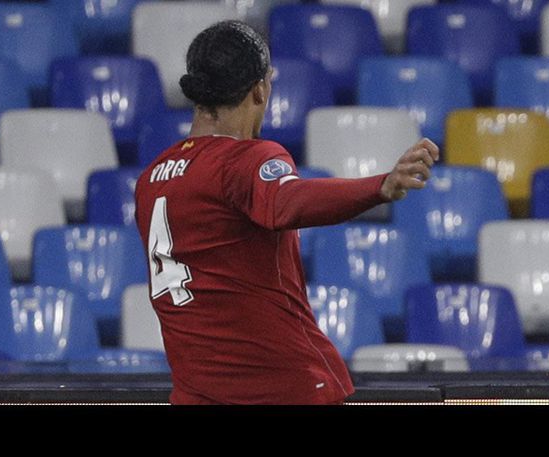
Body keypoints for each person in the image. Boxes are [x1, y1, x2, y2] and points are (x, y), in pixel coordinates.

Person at [134, 20, 439, 405]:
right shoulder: (247, 160)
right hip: (281, 388)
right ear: (259, 89)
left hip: (196, 394)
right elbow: (287, 201)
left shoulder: (151, 180)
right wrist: (378, 187)